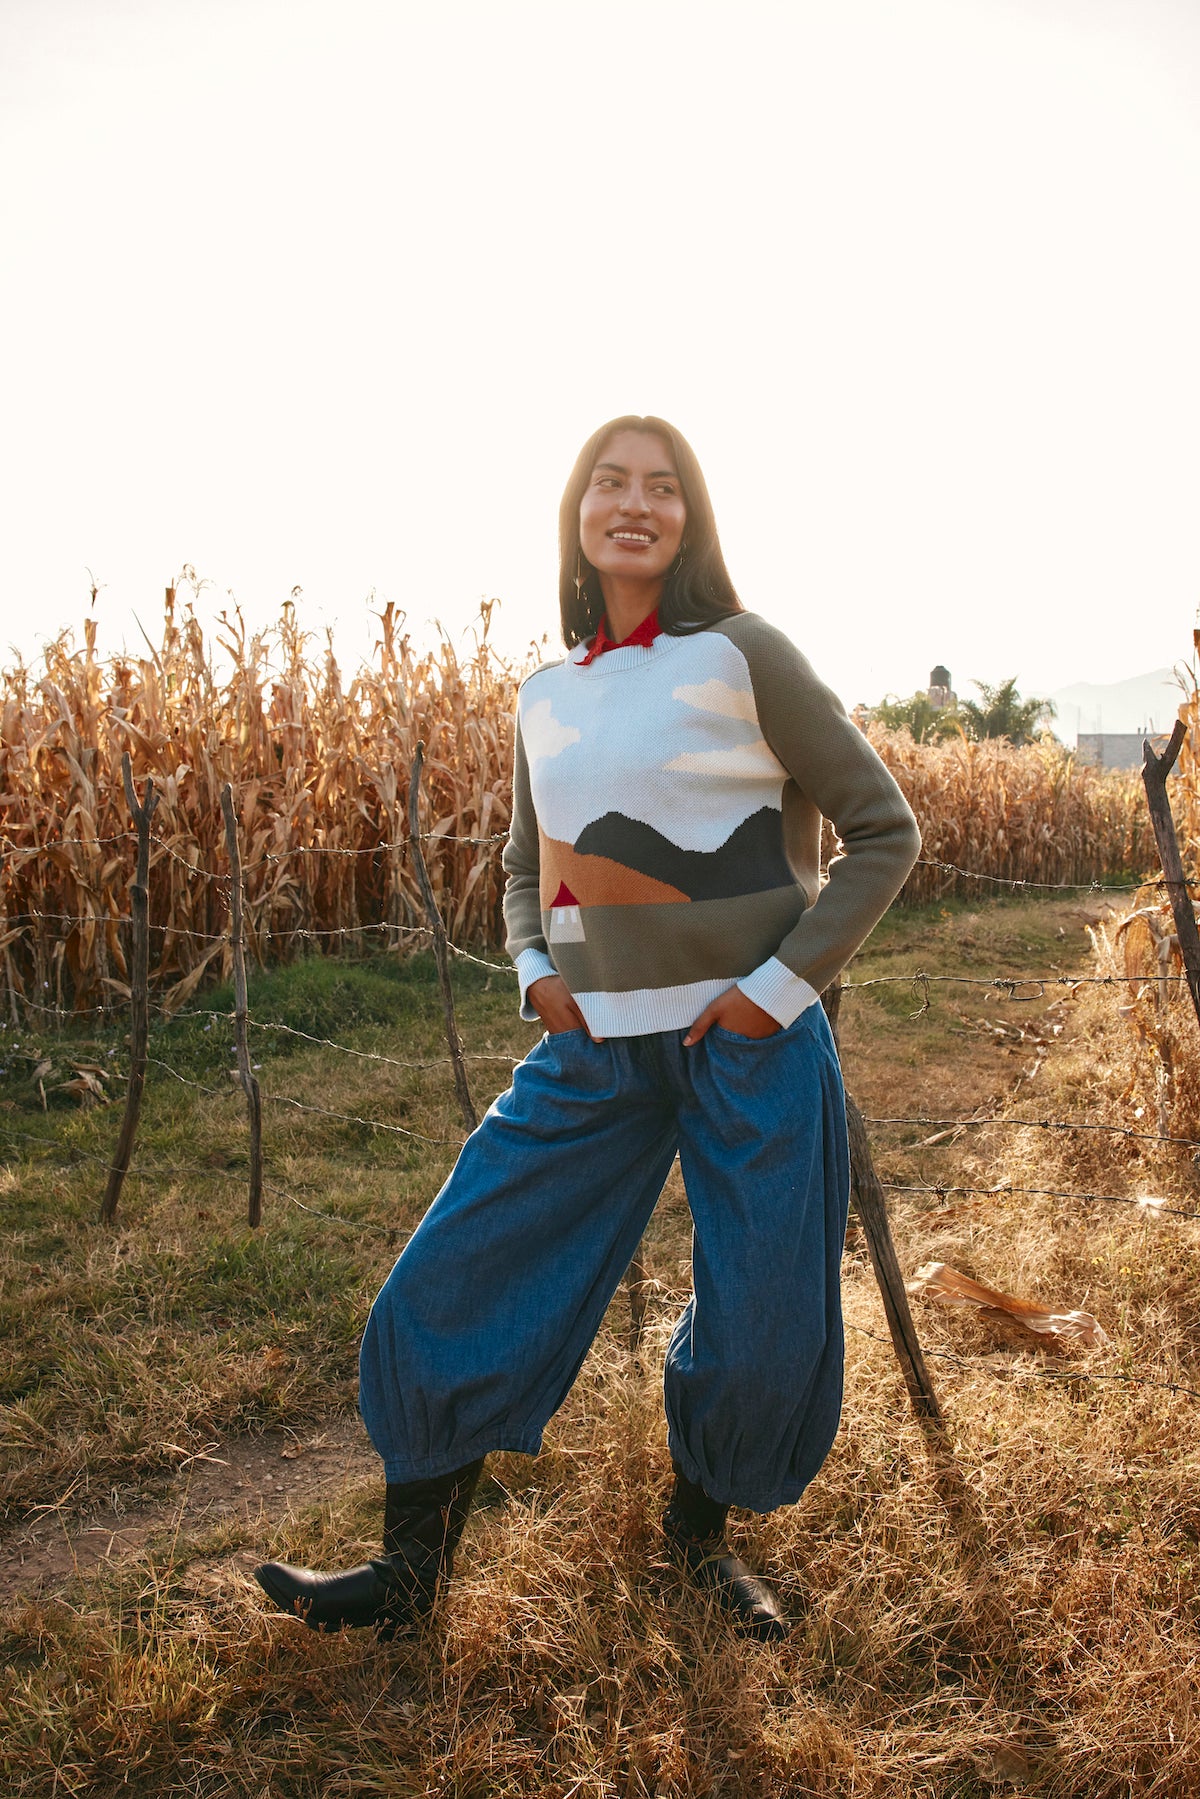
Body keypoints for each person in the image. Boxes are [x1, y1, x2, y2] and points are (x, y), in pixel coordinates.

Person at [255, 415, 921, 1642]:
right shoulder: (546, 693)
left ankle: (696, 1540)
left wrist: (772, 993)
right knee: (461, 1266)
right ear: (575, 513)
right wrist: (531, 968)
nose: (636, 503)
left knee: (766, 1323)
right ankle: (409, 1575)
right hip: (593, 1047)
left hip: (749, 1042)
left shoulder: (744, 651)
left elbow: (885, 830)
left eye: (663, 487)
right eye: (609, 482)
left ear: (692, 517)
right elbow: (526, 865)